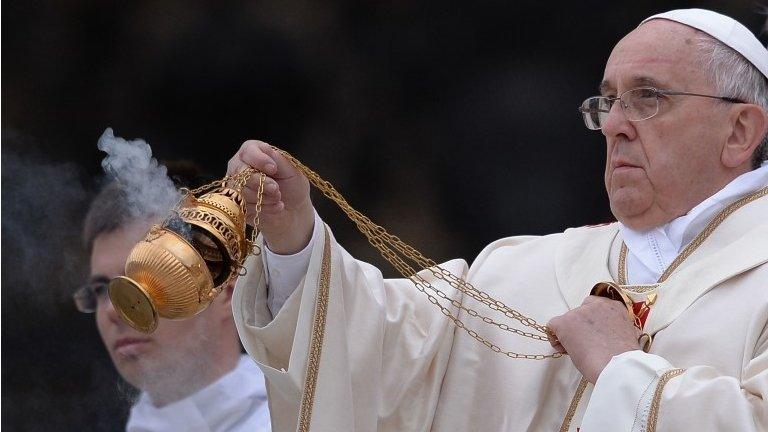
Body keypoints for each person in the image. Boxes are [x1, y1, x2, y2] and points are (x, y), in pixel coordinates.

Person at [226, 8, 768, 431]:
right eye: (606, 102)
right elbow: (369, 351)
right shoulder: (517, 271)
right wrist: (291, 235)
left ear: (741, 130)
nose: (614, 126)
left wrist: (625, 373)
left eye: (648, 98)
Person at [73, 173, 272, 432]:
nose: (113, 308)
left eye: (143, 278)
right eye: (101, 289)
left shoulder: (301, 419)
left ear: (226, 293)